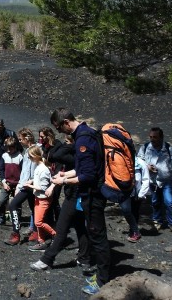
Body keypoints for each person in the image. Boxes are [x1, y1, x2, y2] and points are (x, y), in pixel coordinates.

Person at [48, 108, 110, 295]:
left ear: (67, 121)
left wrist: (64, 180)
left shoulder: (82, 139)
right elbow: (83, 168)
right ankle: (101, 273)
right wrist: (66, 174)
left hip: (93, 195)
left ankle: (103, 281)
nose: (59, 131)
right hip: (94, 193)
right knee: (96, 235)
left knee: (98, 237)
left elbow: (88, 175)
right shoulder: (88, 132)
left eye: (59, 127)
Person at [29, 134, 93, 275]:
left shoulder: (76, 152)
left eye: (67, 140)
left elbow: (55, 156)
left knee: (61, 227)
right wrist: (64, 176)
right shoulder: (81, 154)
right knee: (80, 226)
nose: (64, 143)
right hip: (80, 194)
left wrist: (69, 145)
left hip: (75, 194)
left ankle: (47, 259)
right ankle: (84, 257)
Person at [137, 127, 172, 234]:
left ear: (161, 137)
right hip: (153, 181)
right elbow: (139, 161)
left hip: (167, 180)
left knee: (169, 202)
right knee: (155, 202)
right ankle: (157, 222)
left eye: (155, 137)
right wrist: (147, 166)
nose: (152, 139)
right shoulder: (145, 148)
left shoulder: (169, 149)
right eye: (151, 137)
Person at [3, 128, 37, 245]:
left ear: (27, 138)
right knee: (14, 205)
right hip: (25, 185)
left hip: (33, 186)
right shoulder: (27, 151)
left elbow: (33, 170)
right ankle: (16, 233)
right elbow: (25, 172)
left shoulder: (35, 150)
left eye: (21, 139)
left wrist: (30, 182)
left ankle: (36, 232)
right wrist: (20, 185)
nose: (20, 142)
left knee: (33, 208)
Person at [24, 146, 57, 251]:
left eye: (30, 157)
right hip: (38, 197)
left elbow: (43, 187)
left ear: (35, 156)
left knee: (38, 222)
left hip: (43, 198)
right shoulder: (39, 167)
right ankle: (41, 241)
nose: (29, 159)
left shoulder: (43, 169)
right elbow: (38, 180)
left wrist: (30, 186)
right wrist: (32, 181)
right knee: (38, 221)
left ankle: (55, 235)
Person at [0, 137, 24, 225]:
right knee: (2, 200)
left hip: (17, 183)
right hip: (7, 183)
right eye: (7, 148)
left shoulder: (20, 157)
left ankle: (17, 220)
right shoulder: (4, 156)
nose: (9, 150)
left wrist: (20, 184)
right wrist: (4, 182)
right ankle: (2, 217)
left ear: (15, 147)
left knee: (17, 203)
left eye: (11, 148)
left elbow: (23, 172)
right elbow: (1, 170)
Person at [122, 157, 151, 243]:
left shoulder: (140, 163)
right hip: (125, 192)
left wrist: (141, 193)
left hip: (137, 192)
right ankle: (134, 229)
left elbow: (146, 179)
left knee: (135, 211)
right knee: (126, 211)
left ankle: (134, 231)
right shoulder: (120, 160)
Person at [0, 118, 21, 188]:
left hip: (10, 165)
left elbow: (19, 149)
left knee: (11, 185)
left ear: (3, 126)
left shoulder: (11, 134)